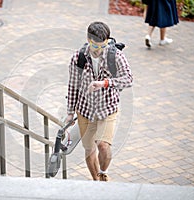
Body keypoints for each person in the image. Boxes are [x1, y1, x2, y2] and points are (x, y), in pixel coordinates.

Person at [65, 21, 133, 181]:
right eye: (96, 47)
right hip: (85, 111)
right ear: (89, 41)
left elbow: (129, 79)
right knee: (89, 149)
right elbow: (73, 85)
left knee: (103, 145)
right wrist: (69, 112)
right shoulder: (78, 57)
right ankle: (96, 181)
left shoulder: (115, 55)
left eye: (103, 46)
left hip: (107, 109)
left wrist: (105, 83)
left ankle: (103, 173)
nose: (100, 51)